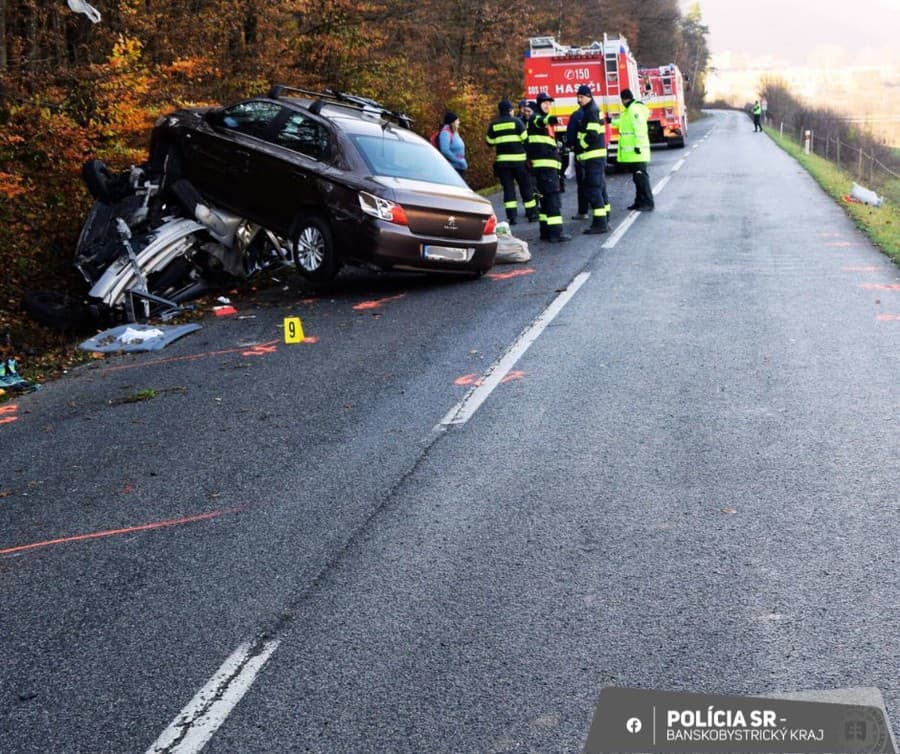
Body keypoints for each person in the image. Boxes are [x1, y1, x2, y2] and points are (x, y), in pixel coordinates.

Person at [526, 92, 571, 242]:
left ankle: (545, 232)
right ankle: (556, 233)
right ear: (539, 104)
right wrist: (551, 119)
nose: (548, 105)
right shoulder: (536, 118)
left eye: (549, 103)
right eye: (545, 103)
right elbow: (540, 121)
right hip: (545, 167)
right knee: (552, 199)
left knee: (545, 199)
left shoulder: (544, 124)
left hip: (545, 167)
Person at [485, 99, 538, 225]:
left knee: (508, 190)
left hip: (503, 163)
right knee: (525, 188)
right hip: (519, 162)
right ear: (510, 110)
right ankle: (532, 214)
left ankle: (512, 217)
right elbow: (526, 139)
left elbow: (489, 142)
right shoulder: (517, 122)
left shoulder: (494, 125)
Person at [573, 84, 609, 234]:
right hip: (596, 156)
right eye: (578, 97)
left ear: (588, 96)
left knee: (593, 189)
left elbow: (592, 134)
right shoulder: (592, 110)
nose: (579, 100)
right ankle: (605, 219)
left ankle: (600, 224)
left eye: (581, 97)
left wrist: (580, 145)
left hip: (592, 156)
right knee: (600, 188)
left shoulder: (591, 112)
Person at [618, 88, 654, 211]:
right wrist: (611, 121)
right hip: (634, 152)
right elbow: (624, 124)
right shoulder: (630, 109)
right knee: (637, 178)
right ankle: (639, 202)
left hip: (637, 151)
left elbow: (639, 129)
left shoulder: (633, 110)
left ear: (623, 99)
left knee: (641, 178)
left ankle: (648, 203)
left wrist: (638, 146)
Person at [565, 101, 589, 220]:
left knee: (582, 184)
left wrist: (572, 145)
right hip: (597, 155)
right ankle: (601, 210)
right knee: (597, 183)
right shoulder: (596, 113)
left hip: (581, 155)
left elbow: (570, 135)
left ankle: (583, 211)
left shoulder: (576, 115)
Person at [438, 111, 468, 178]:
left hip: (459, 166)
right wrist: (458, 161)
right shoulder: (445, 133)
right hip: (453, 167)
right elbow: (445, 150)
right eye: (457, 120)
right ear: (452, 122)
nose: (459, 122)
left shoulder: (454, 132)